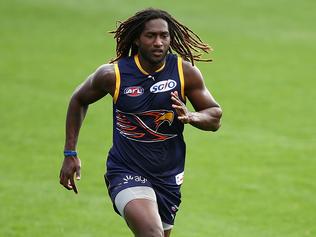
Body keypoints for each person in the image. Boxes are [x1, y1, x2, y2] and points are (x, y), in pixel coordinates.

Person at [59, 8, 222, 237]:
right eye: (151, 36)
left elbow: (214, 115)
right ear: (137, 38)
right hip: (126, 170)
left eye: (164, 36)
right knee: (152, 234)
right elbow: (79, 99)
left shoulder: (185, 72)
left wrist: (191, 116)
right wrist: (70, 153)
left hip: (168, 177)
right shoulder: (113, 75)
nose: (158, 42)